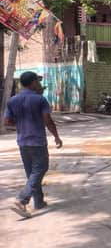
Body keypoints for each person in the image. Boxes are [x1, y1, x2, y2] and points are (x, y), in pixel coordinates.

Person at [6, 71, 63, 218]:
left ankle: (39, 202)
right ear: (33, 82)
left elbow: (7, 122)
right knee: (40, 168)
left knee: (32, 173)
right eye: (37, 81)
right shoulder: (40, 100)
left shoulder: (12, 100)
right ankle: (22, 199)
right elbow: (48, 121)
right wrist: (56, 137)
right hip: (37, 141)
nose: (38, 84)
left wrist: (21, 124)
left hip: (22, 142)